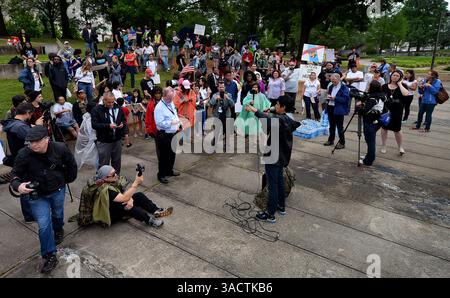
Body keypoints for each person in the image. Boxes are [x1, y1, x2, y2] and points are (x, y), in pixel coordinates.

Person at [10, 125, 77, 273]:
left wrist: (68, 179)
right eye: (30, 142)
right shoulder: (23, 154)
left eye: (37, 141)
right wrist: (18, 185)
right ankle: (49, 255)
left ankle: (59, 229)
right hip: (38, 196)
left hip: (58, 189)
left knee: (58, 214)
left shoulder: (60, 148)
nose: (33, 145)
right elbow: (15, 174)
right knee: (44, 225)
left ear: (46, 139)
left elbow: (72, 164)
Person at [244, 96, 300, 223]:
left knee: (272, 185)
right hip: (281, 157)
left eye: (278, 104)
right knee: (279, 181)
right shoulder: (288, 118)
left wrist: (254, 110)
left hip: (274, 156)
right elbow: (272, 119)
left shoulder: (279, 120)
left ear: (283, 107)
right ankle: (281, 206)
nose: (276, 106)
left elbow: (268, 120)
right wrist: (270, 110)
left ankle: (270, 214)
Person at [2, 103, 43, 223]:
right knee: (26, 188)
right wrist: (37, 127)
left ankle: (29, 214)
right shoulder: (20, 127)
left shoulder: (12, 123)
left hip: (18, 159)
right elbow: (34, 139)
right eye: (31, 114)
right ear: (27, 113)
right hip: (25, 160)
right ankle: (29, 216)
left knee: (25, 186)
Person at [93, 165, 172, 227]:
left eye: (115, 172)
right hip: (111, 214)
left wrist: (129, 198)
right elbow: (124, 198)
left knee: (138, 196)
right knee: (128, 206)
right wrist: (136, 183)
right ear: (105, 178)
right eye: (113, 174)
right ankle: (149, 221)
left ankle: (156, 210)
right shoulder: (106, 190)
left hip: (116, 203)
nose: (116, 175)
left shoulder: (109, 181)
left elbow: (124, 193)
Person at [91, 92, 129, 174]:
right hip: (104, 141)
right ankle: (103, 182)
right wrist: (108, 126)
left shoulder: (118, 108)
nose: (111, 104)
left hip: (117, 140)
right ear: (104, 100)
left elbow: (123, 119)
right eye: (109, 102)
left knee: (117, 162)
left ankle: (116, 179)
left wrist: (122, 124)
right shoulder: (97, 109)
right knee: (104, 164)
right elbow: (94, 125)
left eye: (112, 102)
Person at [154, 87, 181, 184]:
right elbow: (159, 123)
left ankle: (169, 171)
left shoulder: (170, 103)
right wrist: (172, 122)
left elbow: (174, 113)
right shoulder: (159, 107)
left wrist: (178, 123)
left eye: (172, 98)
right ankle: (161, 175)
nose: (171, 100)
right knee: (164, 156)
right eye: (170, 98)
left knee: (172, 154)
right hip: (164, 135)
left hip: (173, 133)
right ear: (164, 96)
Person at [380, 70, 409, 155]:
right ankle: (384, 145)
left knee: (397, 129)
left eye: (397, 76)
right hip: (385, 110)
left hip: (397, 111)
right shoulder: (384, 86)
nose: (395, 77)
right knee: (384, 128)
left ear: (400, 77)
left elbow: (406, 94)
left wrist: (400, 84)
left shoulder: (403, 86)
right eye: (393, 75)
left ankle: (400, 147)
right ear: (391, 76)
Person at [357, 80, 385, 166]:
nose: (368, 87)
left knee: (370, 141)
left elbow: (364, 111)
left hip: (370, 121)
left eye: (369, 86)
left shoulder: (373, 99)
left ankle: (369, 161)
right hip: (376, 121)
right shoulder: (380, 96)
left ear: (372, 88)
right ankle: (369, 156)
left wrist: (359, 107)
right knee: (369, 140)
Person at [323, 74, 351, 149]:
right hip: (330, 107)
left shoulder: (344, 88)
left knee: (339, 127)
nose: (333, 82)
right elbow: (329, 94)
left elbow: (345, 99)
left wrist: (335, 98)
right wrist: (328, 97)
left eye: (334, 81)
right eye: (332, 81)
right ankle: (331, 140)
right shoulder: (331, 86)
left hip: (338, 109)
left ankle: (342, 142)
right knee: (331, 126)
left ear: (339, 79)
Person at [74, 103, 98, 169]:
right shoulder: (89, 120)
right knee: (97, 157)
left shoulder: (87, 117)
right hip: (93, 140)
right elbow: (91, 133)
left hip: (92, 139)